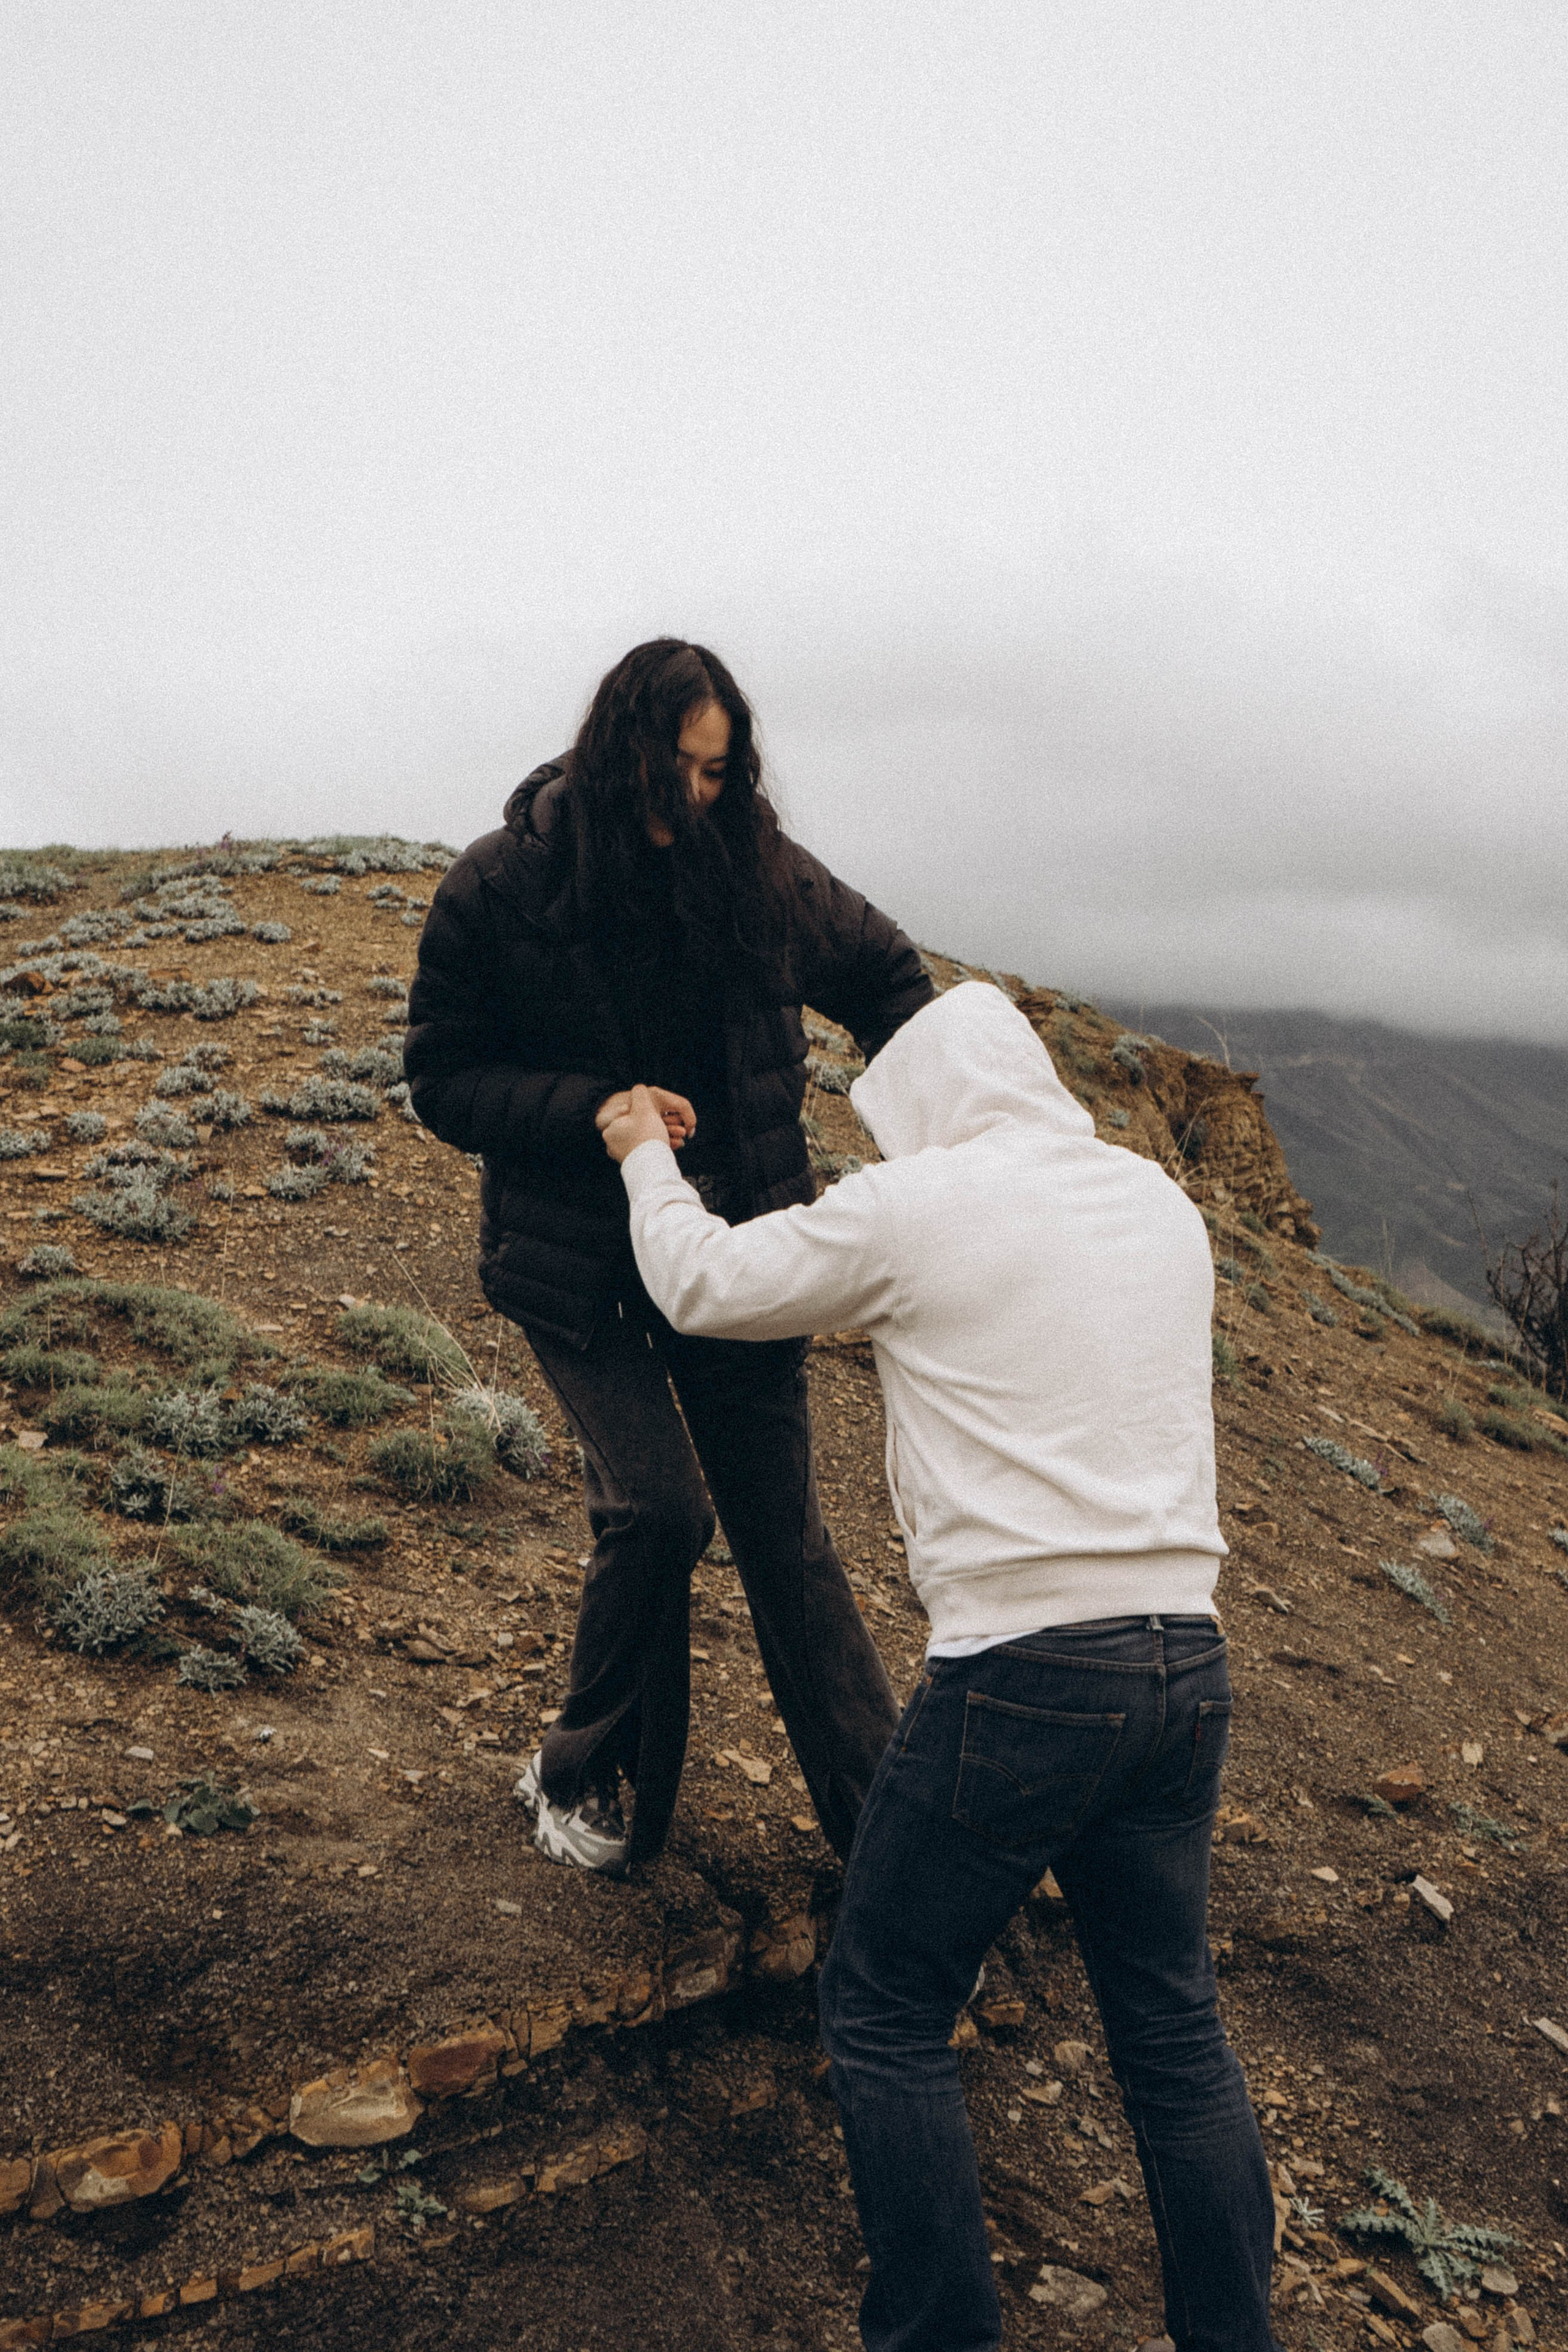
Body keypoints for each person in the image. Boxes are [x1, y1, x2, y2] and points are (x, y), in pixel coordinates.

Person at [600, 981, 1280, 2352]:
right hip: (1185, 1663)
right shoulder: (1157, 1206)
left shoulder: (921, 1207)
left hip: (1026, 1673)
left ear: (915, 1108)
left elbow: (705, 1285)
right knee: (1168, 2032)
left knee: (885, 2004)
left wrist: (641, 1155)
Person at [405, 637, 933, 1873]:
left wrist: (946, 1139)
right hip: (576, 1260)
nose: (692, 801)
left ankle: (890, 1849)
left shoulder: (756, 865)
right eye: (675, 771)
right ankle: (578, 1773)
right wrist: (595, 1108)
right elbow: (441, 1077)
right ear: (615, 752)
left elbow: (889, 976)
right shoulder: (501, 886)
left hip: (741, 1250)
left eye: (716, 774)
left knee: (787, 1544)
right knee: (654, 1511)